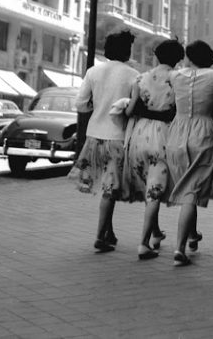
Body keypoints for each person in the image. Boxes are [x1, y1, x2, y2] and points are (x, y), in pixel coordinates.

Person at [74, 31, 139, 252]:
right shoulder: (133, 75)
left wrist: (96, 108)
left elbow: (81, 104)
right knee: (110, 189)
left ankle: (109, 232)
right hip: (117, 137)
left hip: (93, 137)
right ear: (127, 51)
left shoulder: (93, 71)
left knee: (105, 187)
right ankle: (100, 236)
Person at [122, 39, 184, 260]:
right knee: (155, 191)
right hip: (165, 135)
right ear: (179, 58)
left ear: (156, 55)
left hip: (140, 135)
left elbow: (130, 111)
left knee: (150, 186)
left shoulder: (141, 78)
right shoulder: (179, 79)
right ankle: (143, 243)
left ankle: (156, 234)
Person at [166, 40, 213, 266]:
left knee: (188, 186)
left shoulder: (175, 76)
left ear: (189, 57)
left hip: (177, 132)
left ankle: (192, 235)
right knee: (191, 190)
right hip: (203, 132)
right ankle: (179, 248)